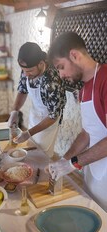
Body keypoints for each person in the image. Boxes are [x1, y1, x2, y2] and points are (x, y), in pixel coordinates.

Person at [48, 31, 107, 211]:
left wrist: (74, 163)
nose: (60, 75)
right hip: (94, 169)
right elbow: (86, 132)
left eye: (60, 67)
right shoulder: (83, 89)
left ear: (74, 55)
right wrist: (64, 160)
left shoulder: (105, 80)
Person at [8, 42, 66, 158]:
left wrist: (28, 133)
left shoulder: (52, 81)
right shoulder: (27, 68)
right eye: (23, 70)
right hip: (35, 114)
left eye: (29, 71)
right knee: (32, 149)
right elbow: (22, 90)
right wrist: (15, 111)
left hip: (48, 120)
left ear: (40, 64)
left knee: (42, 156)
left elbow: (53, 116)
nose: (26, 74)